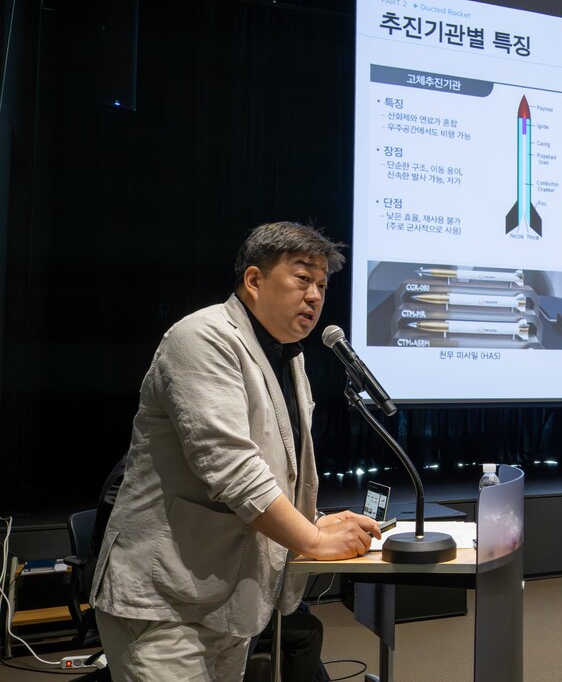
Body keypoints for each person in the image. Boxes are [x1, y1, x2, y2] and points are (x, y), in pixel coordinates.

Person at [90, 221, 381, 681]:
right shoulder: (202, 337)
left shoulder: (288, 356)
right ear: (254, 280)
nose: (314, 296)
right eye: (302, 278)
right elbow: (232, 469)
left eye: (322, 285)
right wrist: (313, 541)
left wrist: (313, 521)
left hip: (231, 601)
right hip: (167, 600)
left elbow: (276, 467)